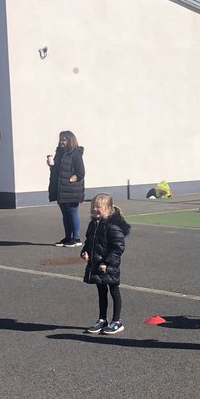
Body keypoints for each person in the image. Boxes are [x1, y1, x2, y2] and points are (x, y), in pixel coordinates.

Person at [80, 193, 130, 335]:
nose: (95, 210)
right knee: (101, 292)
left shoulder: (113, 226)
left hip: (109, 265)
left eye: (99, 207)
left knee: (114, 290)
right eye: (93, 207)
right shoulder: (93, 224)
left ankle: (117, 321)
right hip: (96, 264)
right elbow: (89, 241)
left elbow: (118, 247)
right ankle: (102, 319)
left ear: (108, 208)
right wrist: (85, 251)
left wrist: (106, 262)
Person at [47, 131, 85, 247]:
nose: (61, 142)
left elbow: (80, 172)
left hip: (71, 189)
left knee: (72, 212)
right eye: (60, 139)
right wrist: (51, 166)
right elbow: (57, 171)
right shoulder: (59, 153)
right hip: (61, 189)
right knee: (65, 214)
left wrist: (70, 180)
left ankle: (76, 238)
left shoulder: (76, 153)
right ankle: (68, 237)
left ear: (70, 140)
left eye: (64, 140)